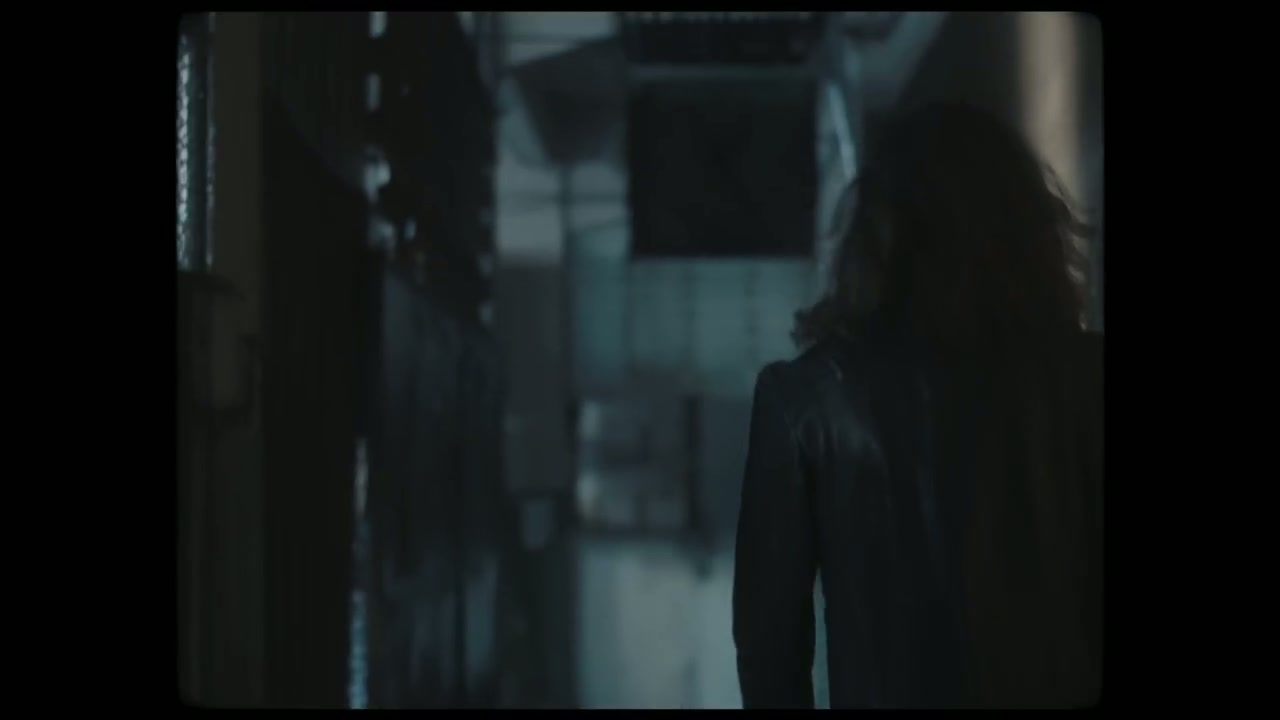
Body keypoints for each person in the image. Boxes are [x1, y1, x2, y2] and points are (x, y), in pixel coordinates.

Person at [732, 102, 1103, 709]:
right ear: (1027, 230)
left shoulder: (804, 403)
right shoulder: (1087, 381)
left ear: (875, 236)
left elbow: (769, 652)